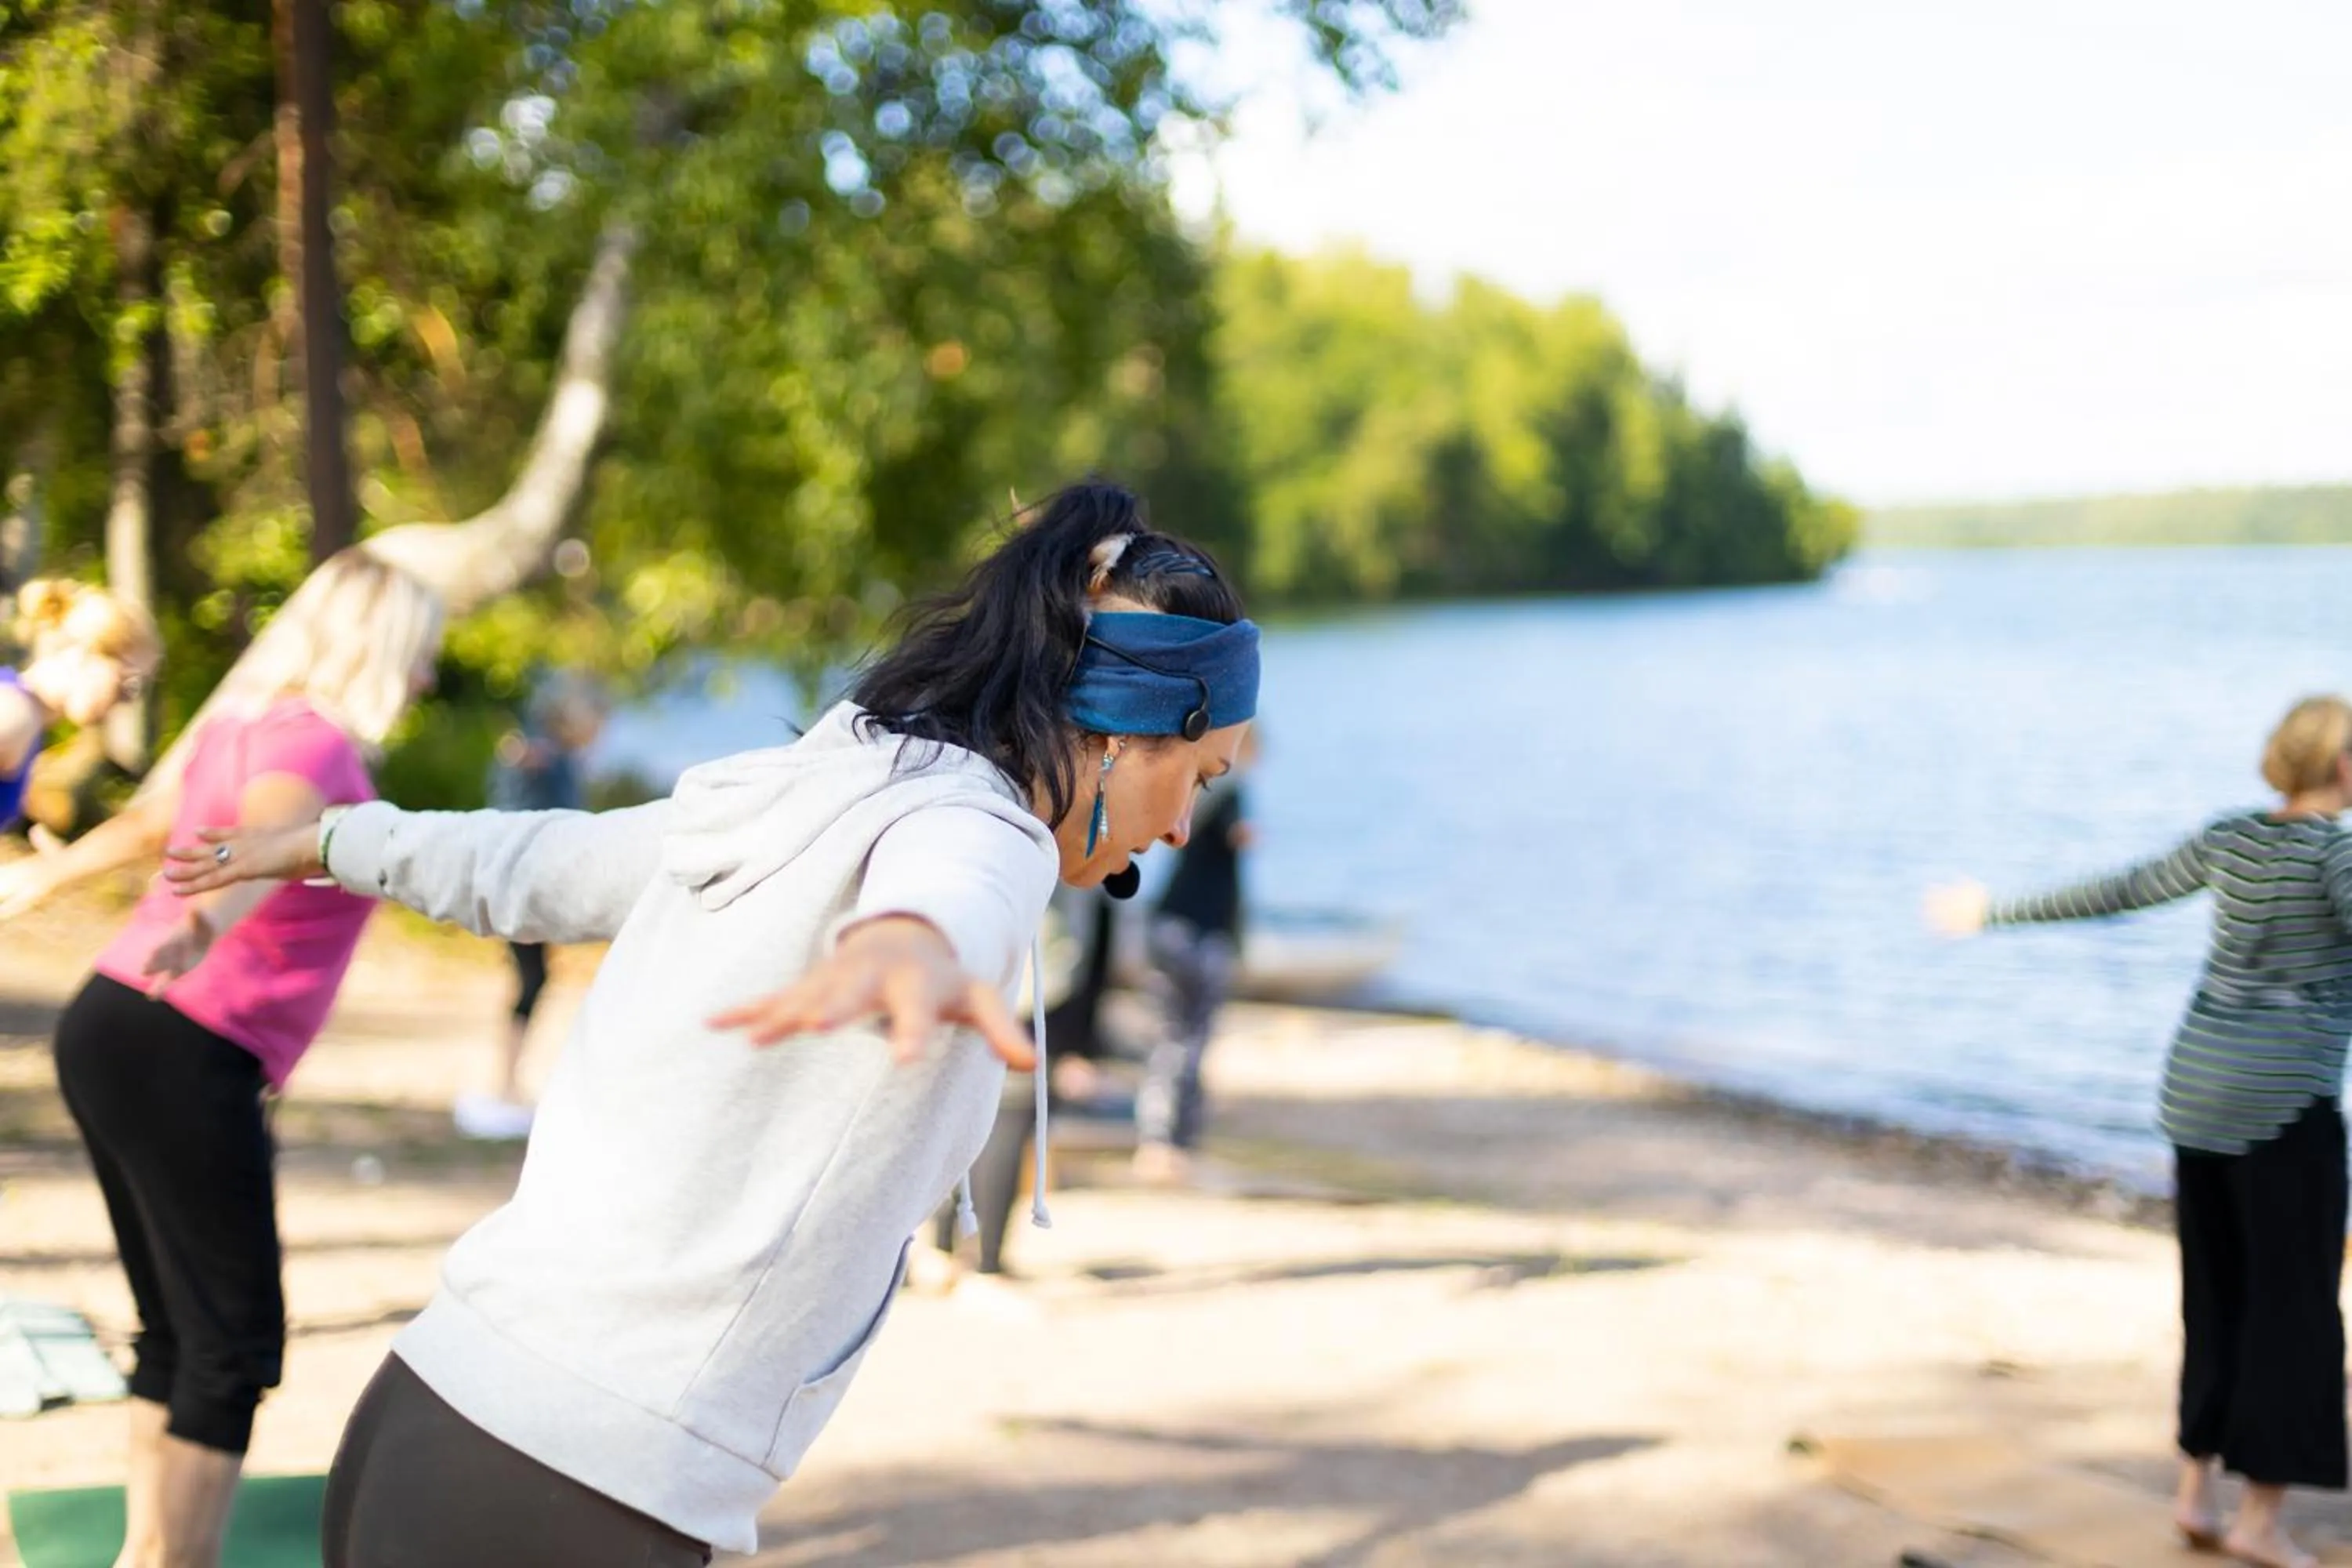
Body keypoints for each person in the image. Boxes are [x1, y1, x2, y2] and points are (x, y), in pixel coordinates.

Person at [164, 481, 1260, 1567]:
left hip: (433, 1410)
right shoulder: (987, 838)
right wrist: (912, 943)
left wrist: (340, 838)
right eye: (1201, 777)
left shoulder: (796, 790)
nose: (1181, 831)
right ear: (1126, 736)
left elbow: (534, 863)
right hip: (573, 1491)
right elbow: (954, 885)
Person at [8, 550, 445, 1568]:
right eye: (419, 655)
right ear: (377, 647)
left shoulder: (246, 728)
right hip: (180, 1037)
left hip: (117, 1025)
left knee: (180, 1332)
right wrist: (206, 924)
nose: (425, 678)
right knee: (234, 1343)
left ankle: (150, 1555)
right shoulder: (313, 743)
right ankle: (174, 1560)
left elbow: (158, 825)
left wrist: (47, 882)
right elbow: (263, 839)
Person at [1928, 694, 2352, 1568]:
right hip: (2282, 1111)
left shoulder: (2231, 836)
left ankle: (2195, 1494)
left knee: (2215, 1299)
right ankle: (2259, 1521)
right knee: (2295, 1311)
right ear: (2343, 766)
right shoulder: (2340, 852)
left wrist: (1992, 910)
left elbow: (2121, 889)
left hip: (2195, 1095)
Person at [457, 673, 609, 1140]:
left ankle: (511, 1083)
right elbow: (526, 819)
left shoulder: (551, 756)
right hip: (523, 892)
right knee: (531, 982)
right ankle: (505, 1085)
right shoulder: (541, 757)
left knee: (535, 981)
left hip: (527, 892)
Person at [1133, 724, 1256, 1183]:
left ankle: (1162, 1140)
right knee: (1186, 1040)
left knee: (1174, 1039)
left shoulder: (1198, 794)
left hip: (1173, 924)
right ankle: (1167, 1141)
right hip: (1197, 934)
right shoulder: (1228, 794)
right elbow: (1235, 837)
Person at [0, 576, 163, 831]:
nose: (124, 701)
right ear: (84, 652)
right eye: (128, 683)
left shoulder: (22, 712)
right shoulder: (15, 716)